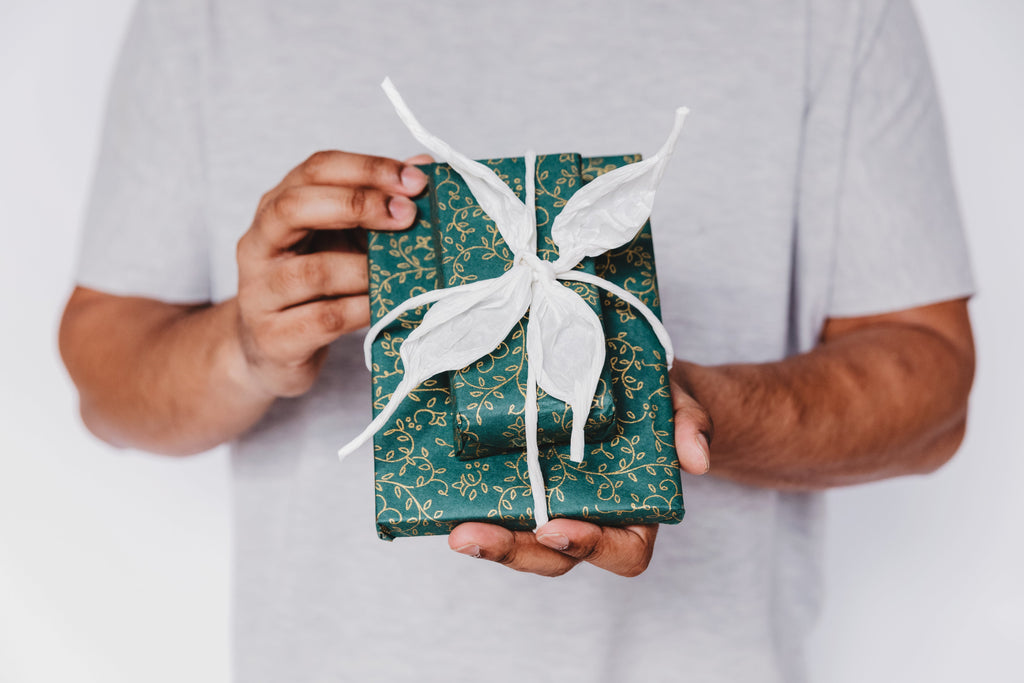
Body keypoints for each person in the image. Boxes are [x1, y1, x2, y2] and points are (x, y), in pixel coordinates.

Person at [59, 1, 975, 681]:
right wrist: (244, 347)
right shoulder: (205, 16)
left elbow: (929, 384)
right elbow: (104, 368)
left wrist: (667, 417)